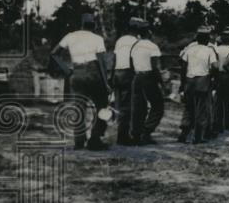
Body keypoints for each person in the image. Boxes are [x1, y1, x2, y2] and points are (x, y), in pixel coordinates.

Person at [54, 13, 111, 150]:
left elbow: (54, 53)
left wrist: (67, 71)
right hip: (93, 73)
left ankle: (79, 141)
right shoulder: (97, 38)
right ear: (94, 25)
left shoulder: (70, 36)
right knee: (102, 106)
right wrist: (106, 83)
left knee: (79, 108)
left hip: (77, 72)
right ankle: (95, 139)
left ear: (82, 25)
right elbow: (101, 62)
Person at [178, 25, 218, 144]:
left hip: (190, 81)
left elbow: (183, 67)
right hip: (203, 81)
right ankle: (198, 137)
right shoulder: (209, 50)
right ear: (207, 39)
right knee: (202, 109)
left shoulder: (189, 50)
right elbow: (215, 66)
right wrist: (212, 76)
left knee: (189, 108)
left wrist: (182, 83)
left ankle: (183, 134)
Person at [128, 20, 165, 145]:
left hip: (137, 77)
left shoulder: (134, 46)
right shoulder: (152, 46)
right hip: (148, 77)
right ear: (149, 32)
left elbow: (131, 64)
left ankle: (136, 134)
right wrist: (161, 81)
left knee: (138, 107)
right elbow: (155, 67)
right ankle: (146, 131)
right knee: (158, 106)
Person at [111, 17, 143, 145]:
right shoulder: (137, 42)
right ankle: (123, 136)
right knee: (127, 106)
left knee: (119, 105)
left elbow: (114, 58)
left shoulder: (120, 40)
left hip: (117, 73)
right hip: (128, 73)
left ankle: (122, 133)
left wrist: (112, 75)